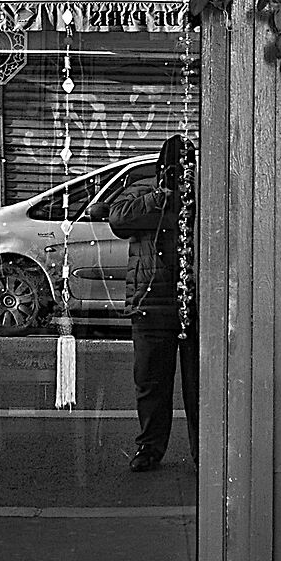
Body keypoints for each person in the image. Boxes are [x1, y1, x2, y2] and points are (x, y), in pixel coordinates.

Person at [108, 134, 196, 473]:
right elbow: (118, 219)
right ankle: (148, 449)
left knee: (198, 387)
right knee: (150, 384)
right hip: (151, 303)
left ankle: (202, 452)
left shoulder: (201, 194)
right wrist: (159, 196)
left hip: (193, 303)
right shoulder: (144, 190)